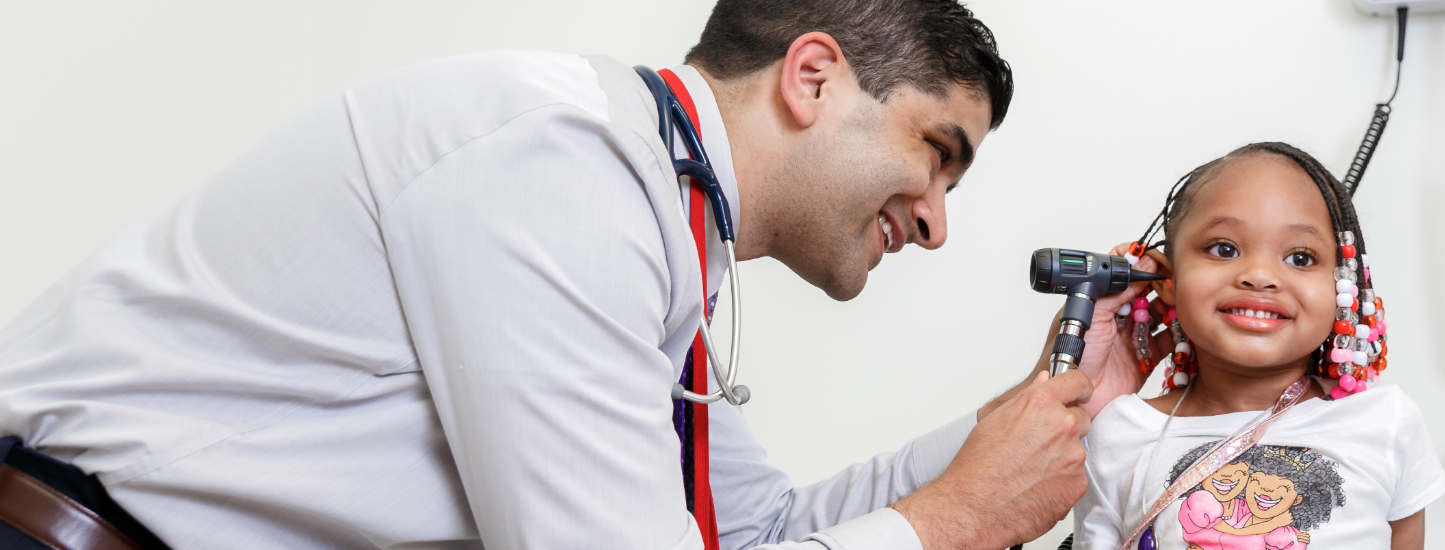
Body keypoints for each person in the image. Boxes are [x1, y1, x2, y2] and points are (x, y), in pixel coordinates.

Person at [0, 1, 1157, 549]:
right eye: (934, 154)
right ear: (813, 77)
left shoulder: (659, 223)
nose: (938, 221)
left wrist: (1034, 424)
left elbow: (753, 532)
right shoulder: (562, 160)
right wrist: (955, 519)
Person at [1071, 143, 1445, 550]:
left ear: (1344, 290)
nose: (1260, 276)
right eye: (1224, 249)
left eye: (1301, 257)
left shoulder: (1386, 421)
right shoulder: (1116, 432)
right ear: (1166, 279)